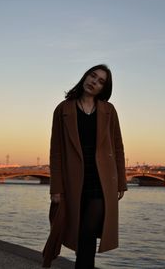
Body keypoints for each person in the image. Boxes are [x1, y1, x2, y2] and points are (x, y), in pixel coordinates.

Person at [42, 64, 127, 268]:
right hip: (73, 179)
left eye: (100, 81)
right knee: (78, 230)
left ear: (104, 88)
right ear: (85, 77)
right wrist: (56, 188)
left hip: (101, 180)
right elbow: (56, 152)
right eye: (92, 76)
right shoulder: (63, 109)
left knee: (88, 232)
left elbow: (118, 146)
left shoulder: (109, 110)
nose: (94, 82)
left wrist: (121, 182)